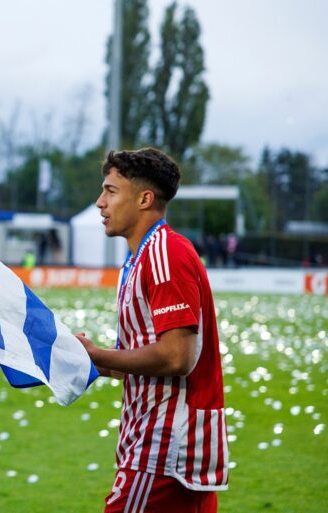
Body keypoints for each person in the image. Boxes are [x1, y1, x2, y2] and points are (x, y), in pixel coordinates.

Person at [77, 148, 228, 513]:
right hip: (159, 446)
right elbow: (137, 362)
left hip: (163, 447)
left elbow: (177, 357)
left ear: (144, 199)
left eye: (111, 191)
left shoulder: (166, 253)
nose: (100, 202)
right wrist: (85, 357)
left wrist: (97, 355)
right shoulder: (139, 260)